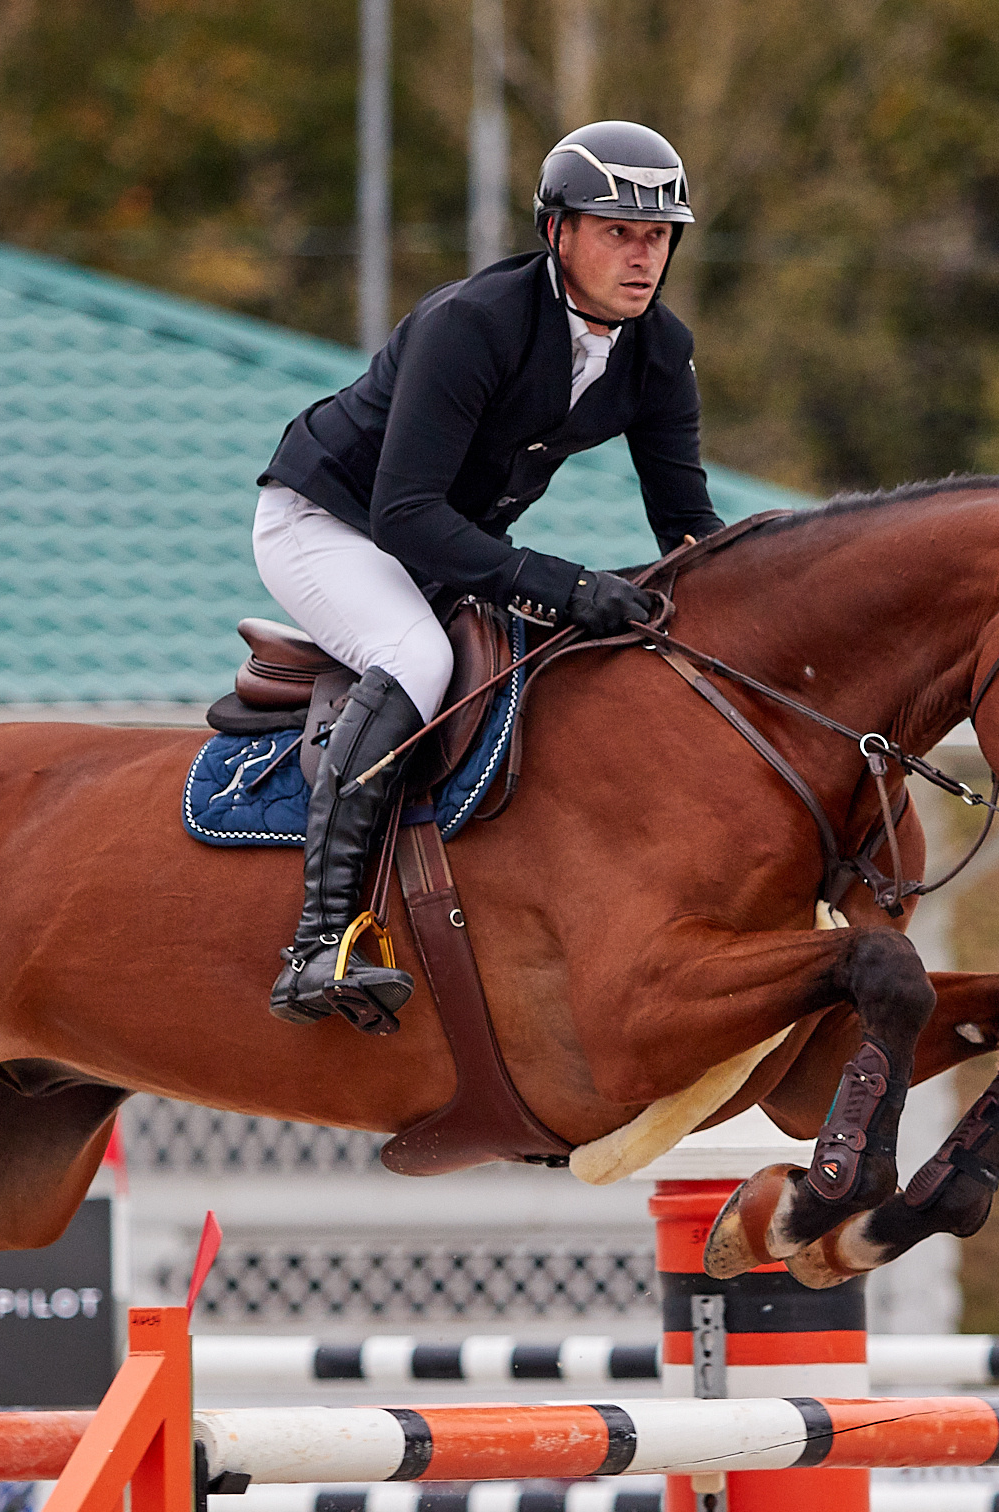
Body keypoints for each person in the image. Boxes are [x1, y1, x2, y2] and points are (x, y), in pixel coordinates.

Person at [254, 120, 725, 1032]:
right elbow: (402, 514)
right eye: (617, 232)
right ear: (557, 232)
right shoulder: (472, 323)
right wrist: (566, 584)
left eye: (657, 236)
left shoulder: (660, 351)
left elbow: (689, 527)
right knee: (416, 658)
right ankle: (319, 942)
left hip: (441, 539)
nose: (642, 258)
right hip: (330, 521)